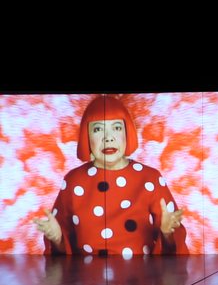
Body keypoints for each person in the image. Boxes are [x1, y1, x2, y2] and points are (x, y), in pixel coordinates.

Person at [34, 95, 187, 256]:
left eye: (117, 128)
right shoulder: (73, 180)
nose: (108, 138)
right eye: (98, 129)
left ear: (127, 132)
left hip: (141, 278)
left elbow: (173, 250)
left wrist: (167, 233)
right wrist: (57, 239)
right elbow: (61, 252)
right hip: (86, 278)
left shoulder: (150, 178)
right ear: (87, 137)